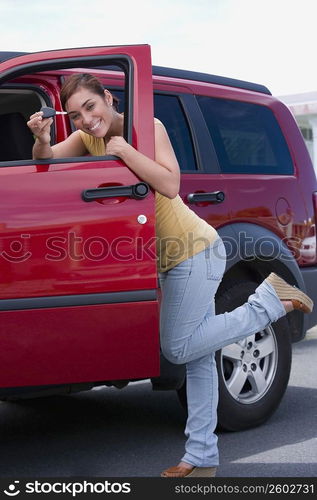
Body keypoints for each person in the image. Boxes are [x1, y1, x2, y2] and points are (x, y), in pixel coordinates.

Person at [27, 73, 313, 478]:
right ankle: (201, 459)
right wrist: (40, 137)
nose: (86, 120)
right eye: (75, 115)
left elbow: (170, 183)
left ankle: (270, 302)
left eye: (91, 107)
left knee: (177, 349)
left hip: (195, 250)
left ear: (108, 98)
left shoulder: (148, 128)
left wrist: (124, 151)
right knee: (197, 358)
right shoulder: (88, 137)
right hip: (169, 259)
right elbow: (47, 160)